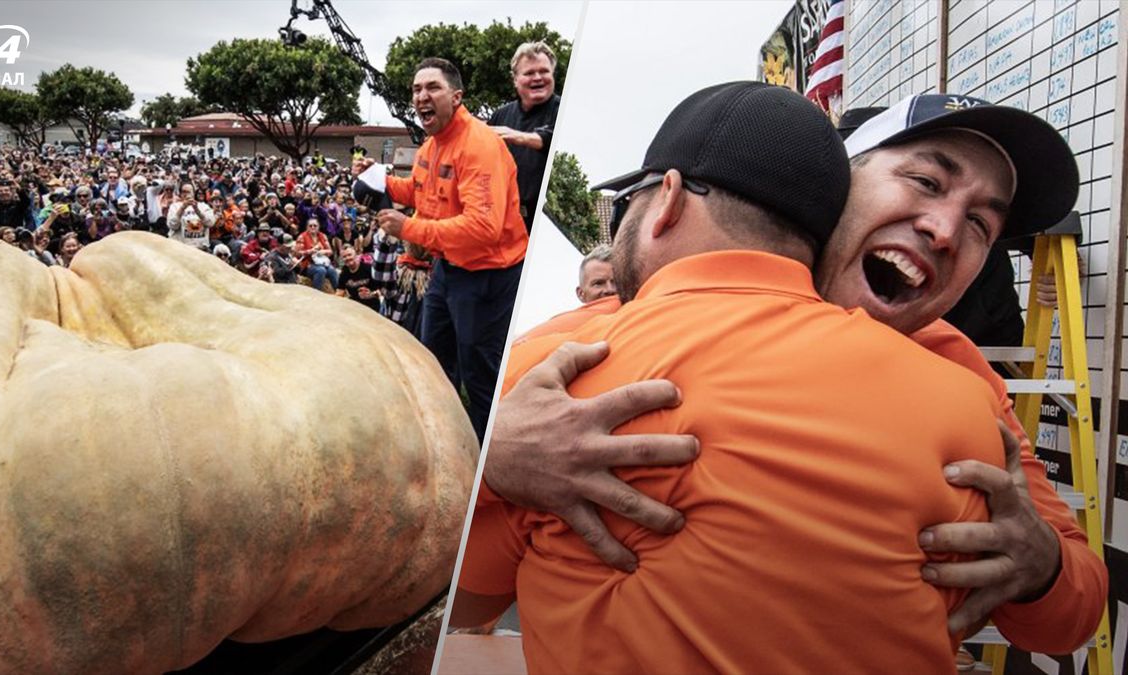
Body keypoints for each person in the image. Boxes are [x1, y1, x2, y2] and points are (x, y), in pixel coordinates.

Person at [474, 92, 1104, 657]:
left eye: (980, 225)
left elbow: (1072, 617)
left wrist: (1041, 564)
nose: (944, 231)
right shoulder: (595, 342)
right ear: (836, 188)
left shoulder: (962, 377)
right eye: (925, 181)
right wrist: (494, 456)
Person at [354, 57, 528, 439]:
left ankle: (486, 460)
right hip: (448, 271)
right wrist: (377, 179)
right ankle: (445, 442)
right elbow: (415, 191)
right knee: (432, 359)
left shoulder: (479, 146)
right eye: (416, 89)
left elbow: (484, 227)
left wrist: (410, 228)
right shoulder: (431, 147)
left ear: (456, 96)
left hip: (488, 277)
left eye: (432, 87)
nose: (421, 96)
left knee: (480, 376)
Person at [488, 41, 561, 234]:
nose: (537, 78)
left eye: (544, 71)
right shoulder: (500, 115)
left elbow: (552, 137)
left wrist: (519, 137)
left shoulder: (563, 110)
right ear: (515, 79)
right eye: (529, 73)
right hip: (502, 222)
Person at [335, 243, 381, 311]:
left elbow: (381, 291)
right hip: (355, 307)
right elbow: (340, 292)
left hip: (372, 306)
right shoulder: (344, 273)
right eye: (344, 256)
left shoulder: (368, 268)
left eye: (349, 255)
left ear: (356, 255)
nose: (347, 258)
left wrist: (371, 294)